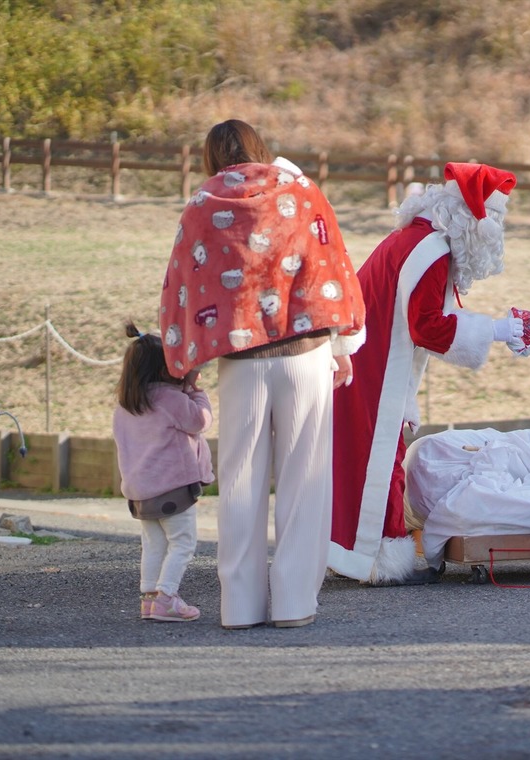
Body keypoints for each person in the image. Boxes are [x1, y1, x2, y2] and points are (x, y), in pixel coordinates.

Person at [160, 119, 366, 629]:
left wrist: (185, 363)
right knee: (305, 478)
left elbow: (183, 281)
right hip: (305, 354)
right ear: (261, 149)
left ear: (212, 157)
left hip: (241, 360)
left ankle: (239, 608)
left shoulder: (201, 205)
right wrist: (343, 345)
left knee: (240, 481)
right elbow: (330, 264)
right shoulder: (301, 190)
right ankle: (295, 604)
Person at [329, 162, 530, 586]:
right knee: (378, 461)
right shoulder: (433, 249)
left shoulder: (416, 238)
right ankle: (378, 556)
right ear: (471, 216)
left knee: (360, 459)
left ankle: (357, 551)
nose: (497, 230)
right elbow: (425, 324)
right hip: (373, 367)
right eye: (494, 218)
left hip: (367, 358)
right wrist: (497, 330)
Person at [112, 321, 214, 623]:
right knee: (183, 543)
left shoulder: (126, 405)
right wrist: (198, 391)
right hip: (172, 489)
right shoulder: (170, 399)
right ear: (164, 368)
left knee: (153, 543)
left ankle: (149, 599)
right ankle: (167, 596)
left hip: (140, 491)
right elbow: (200, 421)